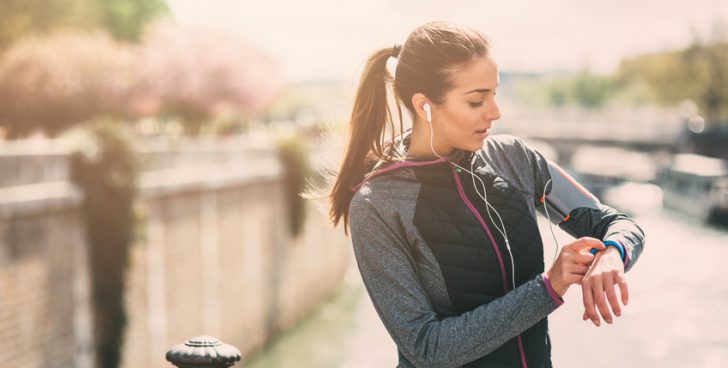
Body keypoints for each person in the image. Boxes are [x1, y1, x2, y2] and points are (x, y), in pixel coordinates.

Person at [328, 21, 645, 368]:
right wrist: (547, 287)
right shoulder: (378, 206)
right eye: (477, 100)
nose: (495, 113)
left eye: (494, 93)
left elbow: (617, 224)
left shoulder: (514, 159)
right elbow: (426, 347)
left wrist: (614, 253)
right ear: (424, 106)